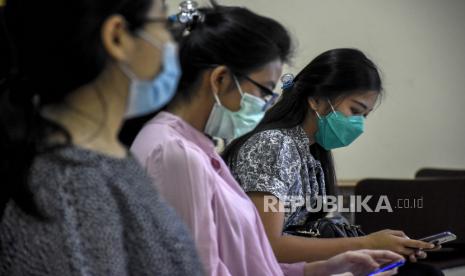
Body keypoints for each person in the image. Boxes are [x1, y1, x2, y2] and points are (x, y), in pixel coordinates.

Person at [131, 3, 403, 276]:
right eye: (263, 92)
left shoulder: (196, 147)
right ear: (221, 79)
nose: (265, 105)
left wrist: (323, 269)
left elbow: (244, 260)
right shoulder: (177, 153)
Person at [0, 0, 203, 275]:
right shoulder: (70, 189)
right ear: (117, 37)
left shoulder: (102, 157)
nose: (171, 41)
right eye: (164, 24)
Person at [223, 48, 442, 275]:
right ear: (316, 100)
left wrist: (379, 250)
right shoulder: (273, 145)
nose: (359, 124)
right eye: (355, 110)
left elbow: (315, 231)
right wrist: (367, 245)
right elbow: (268, 245)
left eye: (364, 115)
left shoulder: (312, 151)